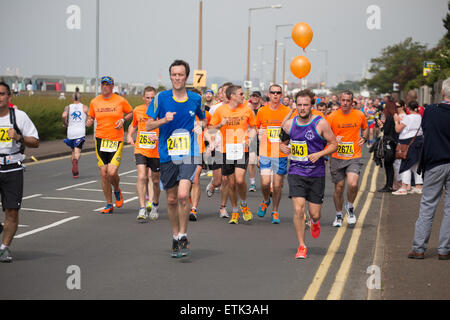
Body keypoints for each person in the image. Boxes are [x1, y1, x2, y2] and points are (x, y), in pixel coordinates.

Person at [146, 60, 205, 258]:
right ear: (170, 76)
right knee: (171, 199)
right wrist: (164, 120)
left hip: (189, 152)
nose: (177, 78)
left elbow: (203, 118)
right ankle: (174, 236)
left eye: (180, 75)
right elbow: (147, 126)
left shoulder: (196, 99)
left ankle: (183, 235)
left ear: (186, 77)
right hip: (167, 154)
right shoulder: (160, 98)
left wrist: (201, 126)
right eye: (174, 75)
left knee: (182, 195)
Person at [280, 89, 338, 259]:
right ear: (295, 105)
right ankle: (302, 246)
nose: (302, 108)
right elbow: (282, 143)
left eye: (306, 105)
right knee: (299, 209)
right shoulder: (290, 124)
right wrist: (284, 148)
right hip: (296, 172)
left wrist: (320, 154)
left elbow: (334, 144)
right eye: (299, 105)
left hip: (316, 173)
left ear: (312, 105)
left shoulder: (321, 123)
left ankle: (314, 221)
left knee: (315, 213)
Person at [408, 77, 450, 260]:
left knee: (427, 205)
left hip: (434, 164)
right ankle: (444, 250)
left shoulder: (431, 111)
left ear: (442, 93)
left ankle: (419, 248)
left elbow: (426, 131)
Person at [0, 82, 39, 263]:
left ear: (9, 97)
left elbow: (35, 141)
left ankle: (4, 248)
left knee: (12, 212)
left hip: (13, 168)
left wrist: (18, 137)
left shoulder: (19, 117)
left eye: (1, 94)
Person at [209, 85, 256, 224]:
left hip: (242, 149)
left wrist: (250, 139)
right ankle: (235, 211)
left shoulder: (247, 109)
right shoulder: (220, 110)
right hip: (226, 150)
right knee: (231, 183)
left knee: (240, 180)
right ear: (232, 96)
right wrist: (219, 125)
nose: (243, 96)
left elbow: (253, 128)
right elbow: (211, 128)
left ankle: (244, 204)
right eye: (241, 94)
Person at [86, 76, 133, 214]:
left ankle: (117, 189)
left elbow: (131, 112)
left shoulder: (120, 100)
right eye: (103, 84)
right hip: (100, 139)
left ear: (112, 87)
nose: (105, 86)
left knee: (112, 172)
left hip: (115, 140)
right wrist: (88, 122)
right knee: (103, 174)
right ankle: (108, 203)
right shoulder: (94, 102)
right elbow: (91, 117)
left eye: (108, 84)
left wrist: (123, 121)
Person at [327, 90, 369, 227]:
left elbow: (366, 128)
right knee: (339, 188)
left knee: (353, 184)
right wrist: (333, 140)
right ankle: (338, 215)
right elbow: (324, 134)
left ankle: (350, 207)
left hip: (354, 156)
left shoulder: (359, 115)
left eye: (348, 101)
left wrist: (364, 137)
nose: (345, 103)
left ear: (352, 102)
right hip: (337, 157)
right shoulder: (332, 116)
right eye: (343, 100)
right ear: (340, 100)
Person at [255, 84, 291, 224]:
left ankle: (275, 211)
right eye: (273, 92)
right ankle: (265, 200)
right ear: (268, 94)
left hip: (280, 154)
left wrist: (286, 144)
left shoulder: (287, 111)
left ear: (281, 95)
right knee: (265, 184)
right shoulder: (262, 111)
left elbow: (291, 130)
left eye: (278, 92)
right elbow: (256, 129)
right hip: (265, 152)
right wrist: (259, 133)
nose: (275, 95)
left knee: (277, 185)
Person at [126, 86, 161, 222]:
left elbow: (166, 127)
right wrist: (129, 135)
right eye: (148, 97)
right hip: (141, 148)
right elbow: (133, 125)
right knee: (142, 176)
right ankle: (142, 208)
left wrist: (159, 138)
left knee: (155, 179)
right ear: (143, 98)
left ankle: (154, 205)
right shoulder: (138, 110)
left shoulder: (160, 110)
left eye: (153, 97)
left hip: (156, 150)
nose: (150, 100)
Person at [206, 82, 233, 219]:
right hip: (217, 148)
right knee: (218, 181)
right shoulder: (215, 109)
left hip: (232, 148)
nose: (226, 95)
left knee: (226, 179)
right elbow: (209, 127)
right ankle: (212, 185)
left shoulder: (237, 109)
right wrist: (211, 141)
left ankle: (223, 207)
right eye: (224, 92)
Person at [392, 101, 424, 195]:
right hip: (418, 141)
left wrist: (396, 120)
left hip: (407, 143)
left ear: (408, 108)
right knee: (416, 164)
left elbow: (398, 129)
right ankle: (418, 186)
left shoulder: (408, 117)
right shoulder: (420, 117)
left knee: (405, 164)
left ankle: (404, 187)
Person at [62, 92, 88, 178]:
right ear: (80, 99)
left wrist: (65, 123)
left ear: (72, 99)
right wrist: (87, 121)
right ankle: (75, 161)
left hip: (70, 132)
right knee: (77, 152)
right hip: (80, 132)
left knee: (73, 150)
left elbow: (64, 115)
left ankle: (74, 169)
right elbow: (91, 116)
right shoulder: (84, 107)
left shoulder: (68, 107)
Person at [376, 100, 399, 193]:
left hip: (389, 143)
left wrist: (381, 125)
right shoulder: (393, 117)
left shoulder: (389, 117)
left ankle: (388, 186)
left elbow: (386, 131)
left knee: (388, 165)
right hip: (393, 143)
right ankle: (388, 185)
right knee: (389, 165)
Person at [248, 91, 264, 192]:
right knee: (251, 161)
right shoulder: (247, 109)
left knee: (260, 163)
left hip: (261, 139)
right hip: (251, 138)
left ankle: (266, 180)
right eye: (253, 96)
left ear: (259, 98)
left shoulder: (262, 109)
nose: (254, 98)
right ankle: (252, 183)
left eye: (256, 96)